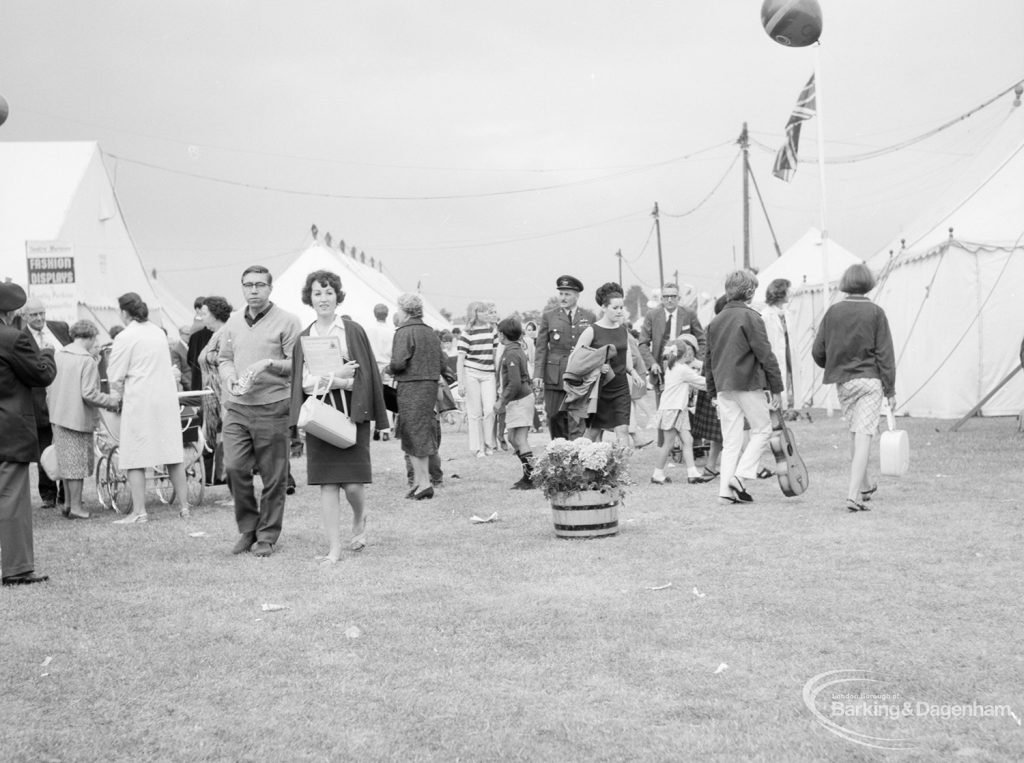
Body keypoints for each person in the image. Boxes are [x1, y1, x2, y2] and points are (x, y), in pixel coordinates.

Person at [290, 271, 388, 563]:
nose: (323, 299)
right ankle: (334, 548)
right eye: (318, 293)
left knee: (354, 485)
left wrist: (340, 379)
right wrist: (336, 376)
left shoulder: (352, 330)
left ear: (337, 296)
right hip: (321, 412)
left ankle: (360, 515)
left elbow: (363, 374)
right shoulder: (304, 337)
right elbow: (305, 382)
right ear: (310, 297)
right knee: (328, 484)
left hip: (350, 409)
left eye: (329, 293)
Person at [218, 266, 301, 556]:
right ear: (242, 288)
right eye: (247, 285)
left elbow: (297, 364)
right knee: (233, 467)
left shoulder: (288, 322)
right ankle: (248, 528)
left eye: (259, 285)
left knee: (273, 476)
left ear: (270, 288)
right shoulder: (232, 322)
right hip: (238, 406)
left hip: (273, 405)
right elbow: (224, 358)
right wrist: (228, 375)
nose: (253, 290)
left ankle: (266, 535)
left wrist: (269, 363)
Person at [812, 263, 896, 513]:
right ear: (868, 283)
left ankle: (866, 486)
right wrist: (890, 390)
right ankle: (853, 495)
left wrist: (835, 364)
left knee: (855, 432)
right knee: (864, 435)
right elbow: (885, 354)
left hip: (844, 381)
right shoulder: (876, 313)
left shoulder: (833, 312)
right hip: (870, 380)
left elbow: (818, 351)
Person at [106, 293, 192, 524]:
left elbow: (115, 374)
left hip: (140, 398)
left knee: (135, 455)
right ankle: (184, 507)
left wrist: (118, 389)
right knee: (172, 452)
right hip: (165, 397)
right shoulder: (157, 332)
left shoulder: (126, 336)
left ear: (124, 312)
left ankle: (140, 511)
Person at [705, 271, 783, 506]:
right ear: (749, 292)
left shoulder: (715, 321)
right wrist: (776, 386)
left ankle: (725, 492)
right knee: (762, 430)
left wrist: (711, 391)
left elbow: (708, 359)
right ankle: (740, 477)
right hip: (747, 383)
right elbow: (765, 354)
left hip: (723, 386)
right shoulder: (751, 317)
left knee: (731, 441)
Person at [0, 282, 57, 586]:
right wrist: (47, 354)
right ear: (11, 312)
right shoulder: (12, 338)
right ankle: (17, 568)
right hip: (8, 430)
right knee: (12, 500)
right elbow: (41, 374)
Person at [46, 320, 119, 519]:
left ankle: (69, 504)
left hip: (57, 414)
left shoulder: (59, 355)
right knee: (76, 465)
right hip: (76, 417)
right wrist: (112, 401)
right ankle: (77, 507)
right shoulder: (86, 360)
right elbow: (89, 393)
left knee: (67, 464)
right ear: (90, 337)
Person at [387, 293, 446, 500]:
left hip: (411, 386)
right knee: (419, 433)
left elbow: (398, 363)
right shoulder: (430, 332)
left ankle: (423, 483)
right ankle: (422, 482)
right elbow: (443, 362)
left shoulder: (404, 331)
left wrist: (388, 369)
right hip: (429, 385)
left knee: (412, 434)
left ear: (404, 310)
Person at [572, 282, 643, 447]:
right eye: (615, 308)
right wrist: (596, 368)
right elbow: (576, 359)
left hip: (620, 387)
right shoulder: (592, 331)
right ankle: (581, 464)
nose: (619, 311)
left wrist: (633, 372)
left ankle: (622, 470)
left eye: (621, 307)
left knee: (622, 430)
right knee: (593, 431)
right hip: (599, 389)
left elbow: (625, 355)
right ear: (604, 307)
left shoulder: (622, 330)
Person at [17, 296, 71, 508]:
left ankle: (67, 494)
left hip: (64, 395)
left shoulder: (60, 328)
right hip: (39, 400)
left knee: (66, 445)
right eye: (34, 315)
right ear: (24, 316)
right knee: (44, 447)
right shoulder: (21, 338)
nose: (39, 318)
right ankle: (48, 494)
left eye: (42, 313)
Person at [533, 275, 596, 440]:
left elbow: (594, 347)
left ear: (577, 295)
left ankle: (576, 455)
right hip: (555, 374)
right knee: (554, 415)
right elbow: (541, 348)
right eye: (561, 294)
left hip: (579, 374)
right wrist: (538, 374)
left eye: (567, 294)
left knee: (577, 417)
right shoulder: (549, 316)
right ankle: (559, 452)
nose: (563, 298)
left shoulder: (589, 317)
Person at [650, 335, 706, 485]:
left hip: (677, 409)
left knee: (688, 440)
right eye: (687, 350)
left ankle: (692, 473)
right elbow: (700, 382)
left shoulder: (671, 367)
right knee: (668, 443)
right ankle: (657, 474)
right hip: (673, 409)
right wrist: (717, 383)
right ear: (683, 353)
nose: (689, 352)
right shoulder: (682, 369)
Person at [638, 282, 705, 406]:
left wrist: (697, 362)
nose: (669, 300)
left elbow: (702, 340)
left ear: (678, 298)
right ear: (661, 298)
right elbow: (642, 343)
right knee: (663, 407)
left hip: (685, 368)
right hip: (660, 369)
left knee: (685, 406)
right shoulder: (652, 315)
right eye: (666, 296)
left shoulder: (689, 314)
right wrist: (652, 363)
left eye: (673, 296)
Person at [494, 316, 535, 489]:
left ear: (502, 335)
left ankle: (532, 475)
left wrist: (501, 401)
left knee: (519, 438)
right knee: (511, 438)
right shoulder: (514, 349)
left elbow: (515, 382)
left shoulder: (511, 352)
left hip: (520, 399)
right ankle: (531, 472)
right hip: (517, 400)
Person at [690, 295, 728, 482]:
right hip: (719, 383)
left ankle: (711, 466)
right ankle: (748, 467)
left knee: (720, 431)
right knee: (725, 430)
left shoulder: (713, 328)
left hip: (715, 382)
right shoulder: (717, 329)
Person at [197, 296, 233, 486]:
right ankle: (214, 477)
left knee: (229, 436)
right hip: (211, 395)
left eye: (204, 314)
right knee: (213, 437)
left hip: (222, 393)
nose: (201, 318)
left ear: (215, 314)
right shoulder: (215, 334)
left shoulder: (226, 333)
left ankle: (229, 479)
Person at [456, 301, 498, 457]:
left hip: (488, 374)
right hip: (471, 373)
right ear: (475, 313)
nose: (487, 314)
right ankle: (478, 447)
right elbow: (460, 359)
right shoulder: (467, 333)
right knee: (475, 412)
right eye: (483, 311)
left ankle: (488, 444)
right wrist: (460, 383)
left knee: (489, 410)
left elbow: (494, 356)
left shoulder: (491, 331)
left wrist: (497, 375)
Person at [367, 303, 395, 441]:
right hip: (387, 365)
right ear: (387, 314)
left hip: (373, 365)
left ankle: (375, 428)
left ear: (374, 313)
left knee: (374, 397)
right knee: (387, 398)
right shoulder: (392, 331)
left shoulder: (369, 330)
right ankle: (386, 429)